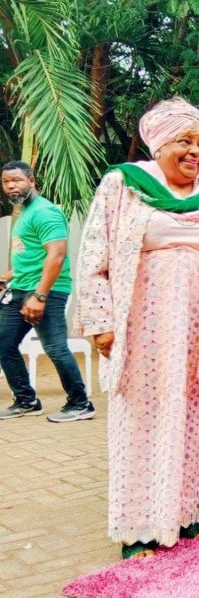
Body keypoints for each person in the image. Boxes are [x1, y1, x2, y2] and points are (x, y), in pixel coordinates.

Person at [74, 98, 199, 558]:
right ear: (159, 144)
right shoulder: (123, 184)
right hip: (141, 329)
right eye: (184, 141)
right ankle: (137, 527)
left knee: (190, 418)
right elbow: (93, 256)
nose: (195, 151)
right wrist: (101, 323)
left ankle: (181, 514)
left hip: (196, 330)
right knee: (139, 421)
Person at [0, 161, 94, 422]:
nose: (10, 186)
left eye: (16, 180)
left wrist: (40, 295)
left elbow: (57, 255)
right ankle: (26, 401)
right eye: (6, 181)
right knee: (4, 344)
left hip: (46, 291)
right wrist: (6, 277)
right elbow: (30, 257)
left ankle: (80, 403)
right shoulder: (24, 212)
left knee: (55, 347)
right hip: (20, 289)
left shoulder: (46, 212)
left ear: (31, 181)